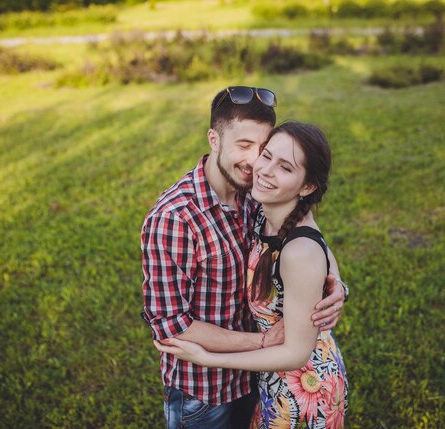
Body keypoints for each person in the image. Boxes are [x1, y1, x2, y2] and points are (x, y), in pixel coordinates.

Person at [141, 87, 349, 429]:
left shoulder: (258, 195)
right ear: (213, 139)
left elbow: (304, 234)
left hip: (262, 379)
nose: (256, 163)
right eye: (244, 146)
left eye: (264, 149)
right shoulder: (175, 218)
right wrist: (263, 342)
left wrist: (335, 282)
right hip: (206, 391)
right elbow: (170, 324)